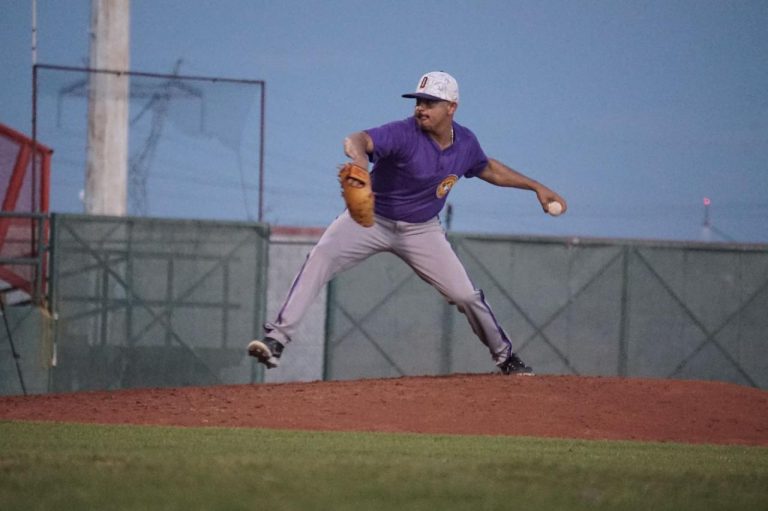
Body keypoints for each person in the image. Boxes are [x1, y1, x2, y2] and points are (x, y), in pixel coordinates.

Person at [248, 71, 567, 375]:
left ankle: (507, 358)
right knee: (320, 258)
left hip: (421, 230)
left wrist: (536, 187)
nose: (420, 108)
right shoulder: (403, 133)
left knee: (466, 296)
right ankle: (276, 340)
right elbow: (357, 139)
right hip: (371, 220)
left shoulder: (466, 144)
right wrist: (359, 161)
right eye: (418, 100)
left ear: (451, 107)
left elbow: (488, 169)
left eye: (430, 102)